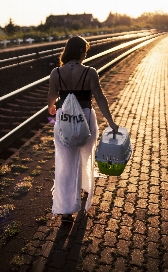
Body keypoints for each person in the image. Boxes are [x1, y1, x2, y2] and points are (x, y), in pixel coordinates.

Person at [48, 35, 118, 222]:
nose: (85, 55)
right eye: (85, 51)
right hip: (85, 120)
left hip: (64, 121)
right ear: (80, 51)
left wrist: (52, 108)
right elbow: (100, 98)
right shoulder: (90, 72)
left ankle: (66, 210)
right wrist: (111, 123)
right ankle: (83, 188)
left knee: (65, 164)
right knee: (85, 157)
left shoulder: (56, 72)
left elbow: (51, 99)